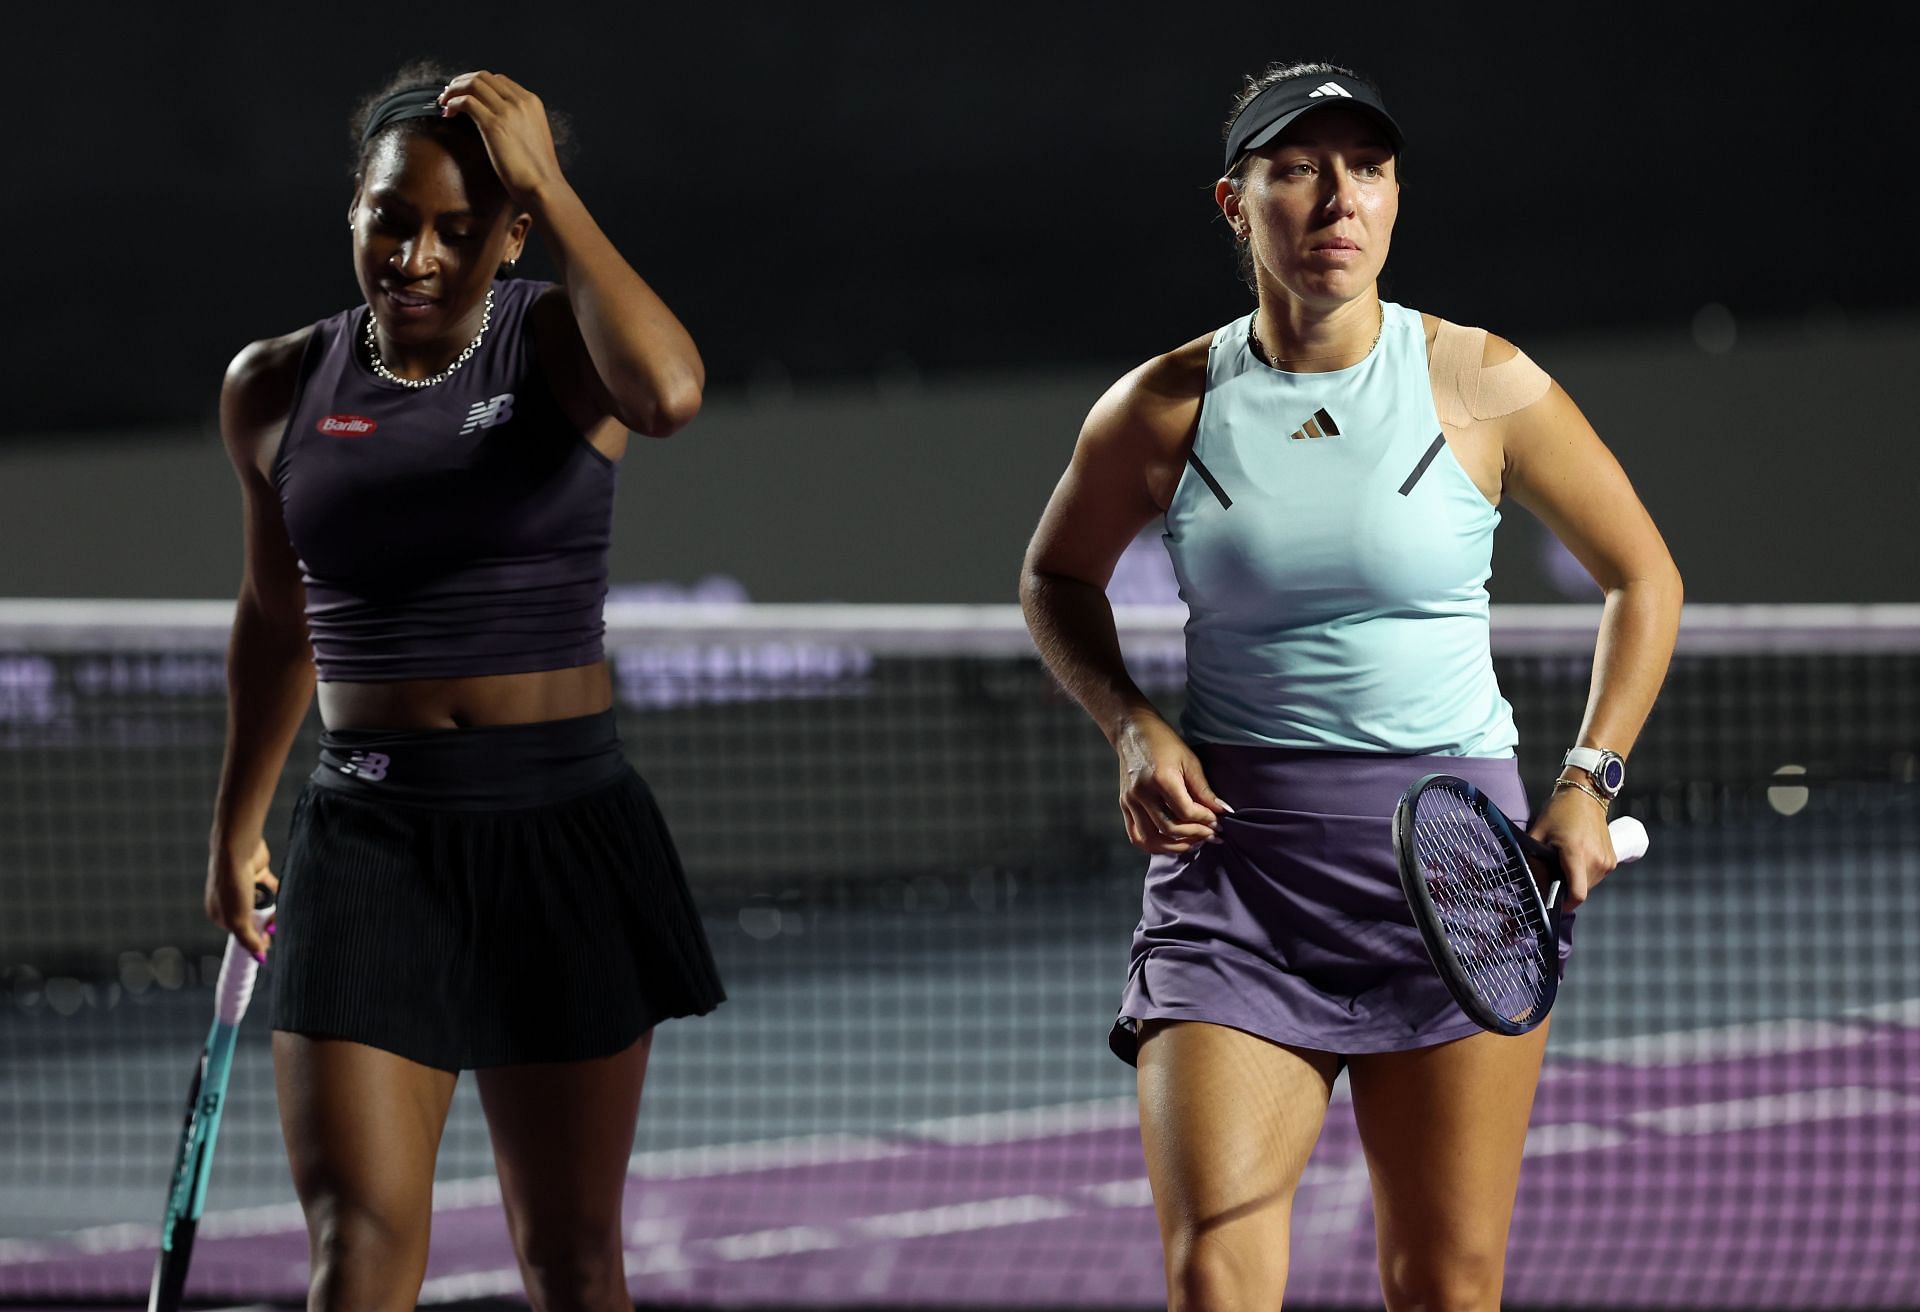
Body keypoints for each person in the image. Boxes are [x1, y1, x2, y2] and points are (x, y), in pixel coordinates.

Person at [1020, 61, 1683, 1309]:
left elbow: (1643, 576)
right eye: (1298, 169)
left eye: (1366, 170)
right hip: (1238, 883)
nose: (1338, 200)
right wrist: (1133, 724)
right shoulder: (1162, 406)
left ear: (1395, 198)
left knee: (1444, 1280)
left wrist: (1589, 779)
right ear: (1235, 202)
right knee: (1216, 1268)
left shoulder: (1481, 379)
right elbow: (1055, 579)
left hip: (1457, 883)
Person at [204, 62, 724, 1312]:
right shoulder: (274, 385)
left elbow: (670, 392)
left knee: (572, 1257)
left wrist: (547, 177)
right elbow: (279, 618)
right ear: (355, 213)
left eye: (461, 226)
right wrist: (237, 821)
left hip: (560, 833)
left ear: (513, 232)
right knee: (358, 1246)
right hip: (371, 840)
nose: (418, 255)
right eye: (392, 218)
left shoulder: (557, 340)